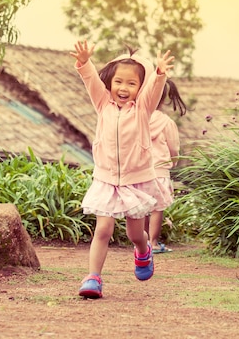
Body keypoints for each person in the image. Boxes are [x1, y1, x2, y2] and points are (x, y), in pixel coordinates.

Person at [70, 40, 175, 299]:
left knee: (134, 233)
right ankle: (93, 277)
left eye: (131, 83)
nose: (123, 88)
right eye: (118, 82)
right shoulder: (103, 105)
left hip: (135, 180)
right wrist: (84, 63)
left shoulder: (142, 110)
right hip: (106, 179)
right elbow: (91, 81)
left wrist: (159, 74)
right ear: (110, 84)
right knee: (103, 229)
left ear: (140, 88)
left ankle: (143, 251)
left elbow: (153, 91)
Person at [144, 78, 187, 254]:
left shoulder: (137, 118)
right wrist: (173, 162)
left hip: (140, 170)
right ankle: (153, 243)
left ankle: (141, 241)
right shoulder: (166, 122)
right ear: (163, 99)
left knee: (142, 208)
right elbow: (173, 148)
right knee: (157, 208)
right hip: (160, 169)